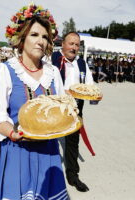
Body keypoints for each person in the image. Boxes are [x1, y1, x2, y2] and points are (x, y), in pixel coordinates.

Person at [0, 4, 68, 200]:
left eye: (45, 37)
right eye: (34, 35)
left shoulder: (53, 73)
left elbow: (62, 108)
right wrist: (12, 133)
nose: (40, 42)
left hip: (49, 153)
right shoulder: (4, 70)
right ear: (21, 38)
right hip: (17, 152)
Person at [51, 31, 93, 192]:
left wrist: (93, 94)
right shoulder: (53, 59)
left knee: (73, 143)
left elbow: (89, 84)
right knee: (49, 140)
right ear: (63, 44)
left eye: (77, 45)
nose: (74, 47)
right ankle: (48, 174)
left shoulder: (81, 63)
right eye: (71, 43)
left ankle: (73, 175)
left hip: (75, 110)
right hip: (55, 109)